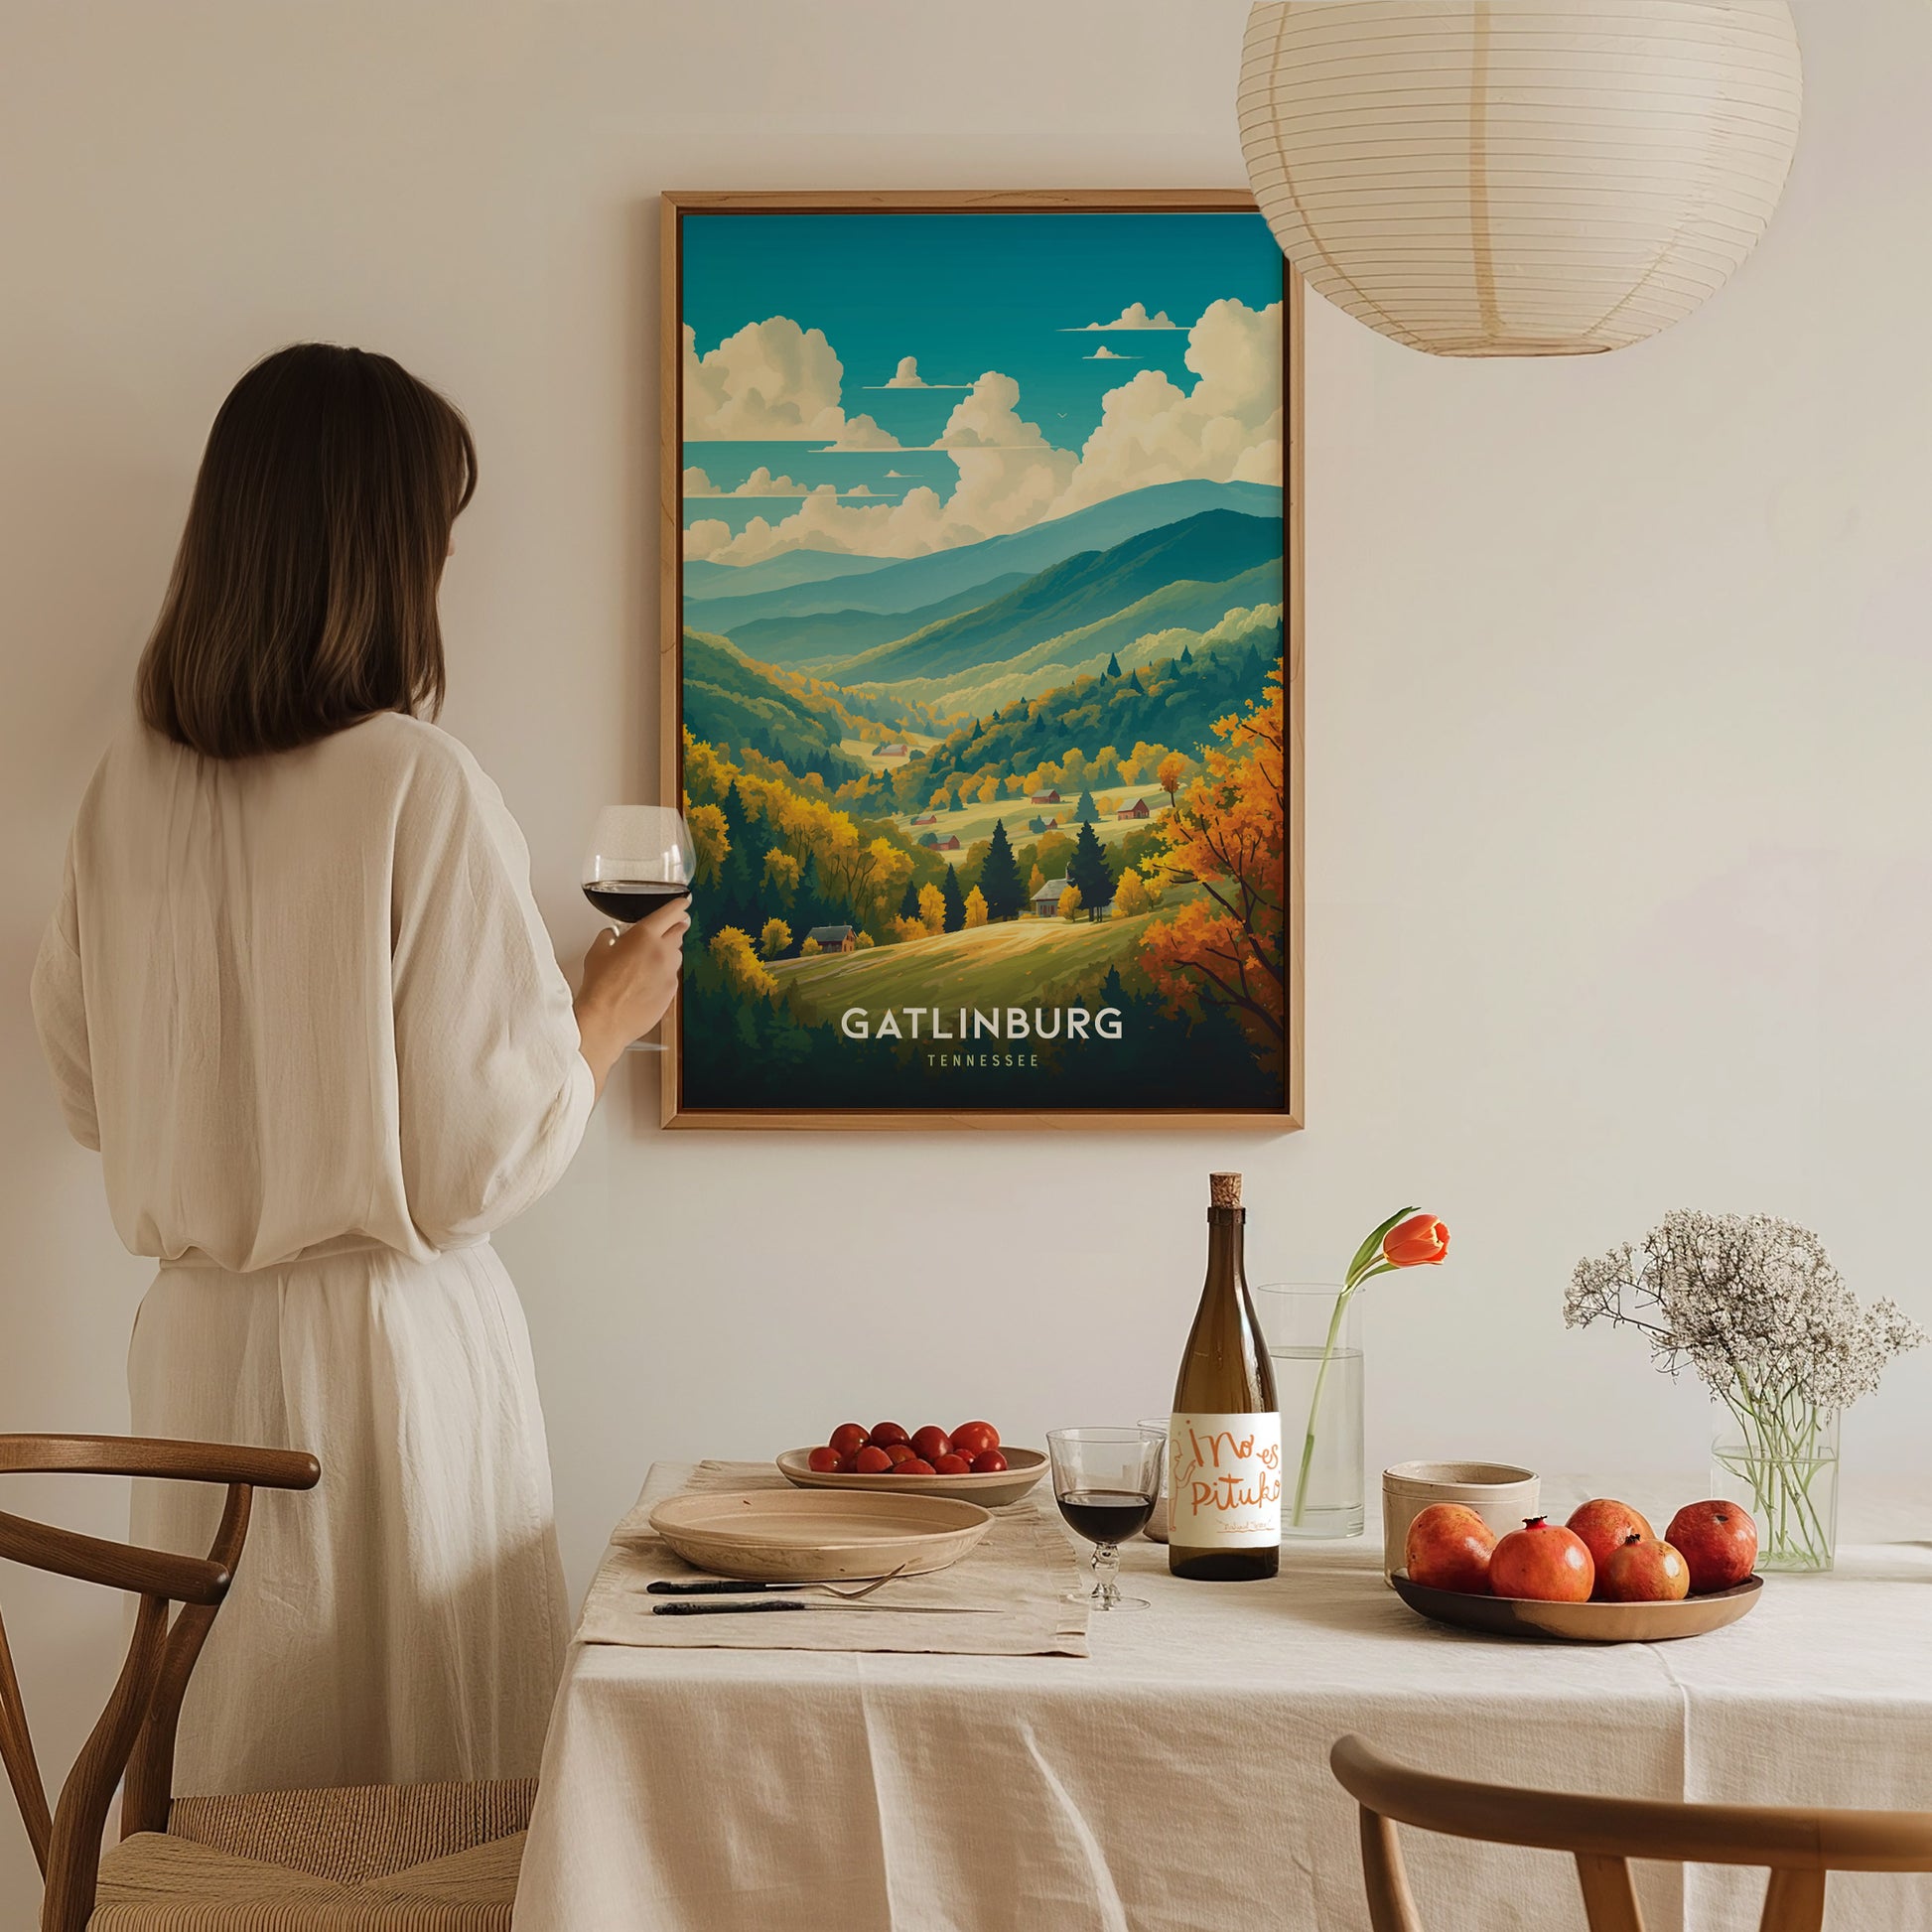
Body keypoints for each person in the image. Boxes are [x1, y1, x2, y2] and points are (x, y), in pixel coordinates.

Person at [29, 343, 685, 1793]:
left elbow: (87, 1092)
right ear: (384, 552)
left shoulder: (121, 792)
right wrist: (601, 1013)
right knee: (420, 1798)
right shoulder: (414, 780)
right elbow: (470, 1164)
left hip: (196, 1352)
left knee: (239, 1779)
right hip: (387, 1363)